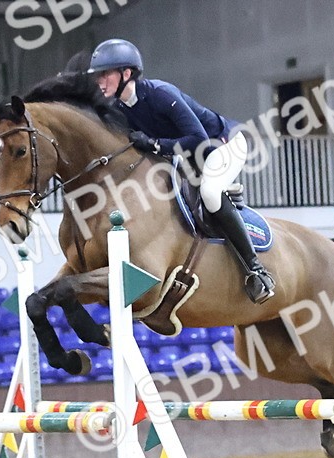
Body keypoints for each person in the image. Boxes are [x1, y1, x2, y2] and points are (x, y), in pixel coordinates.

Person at [87, 38, 276, 304]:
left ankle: (257, 271)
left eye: (105, 74)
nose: (99, 81)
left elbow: (197, 137)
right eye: (98, 76)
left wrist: (155, 143)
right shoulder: (119, 108)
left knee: (210, 193)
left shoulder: (160, 94)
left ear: (126, 74)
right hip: (187, 156)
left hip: (222, 144)